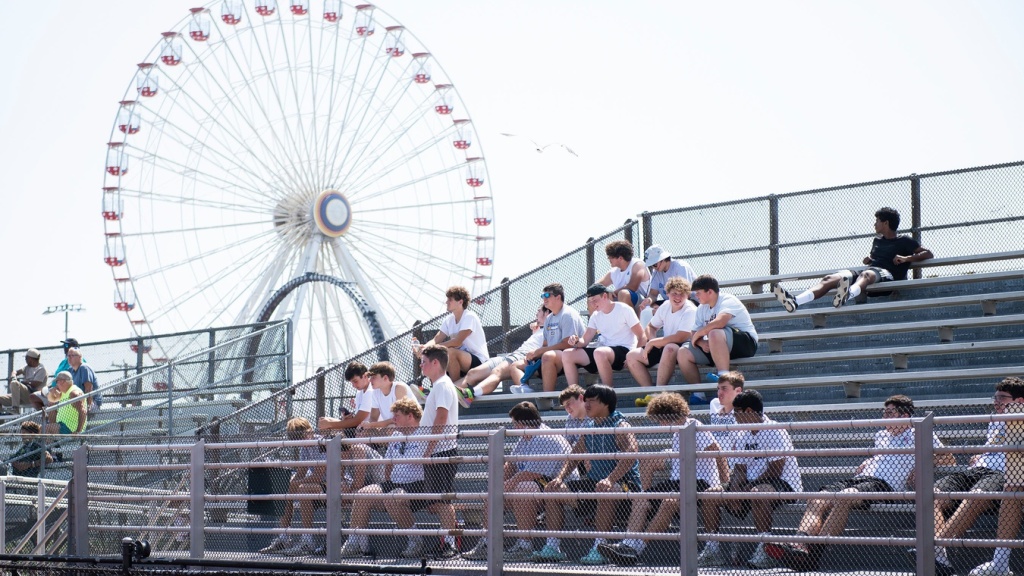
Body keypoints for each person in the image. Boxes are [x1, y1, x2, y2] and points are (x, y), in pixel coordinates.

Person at [767, 394, 953, 572]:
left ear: (905, 416)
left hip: (884, 486)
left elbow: (949, 459)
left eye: (890, 412)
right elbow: (881, 458)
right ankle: (799, 543)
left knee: (845, 497)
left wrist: (924, 463)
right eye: (884, 412)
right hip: (862, 480)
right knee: (818, 498)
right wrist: (869, 461)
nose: (884, 416)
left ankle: (811, 556)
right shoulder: (881, 435)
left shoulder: (917, 431)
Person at [599, 393, 729, 566]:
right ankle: (628, 543)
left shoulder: (694, 426)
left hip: (700, 482)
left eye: (660, 419)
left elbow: (717, 452)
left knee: (669, 501)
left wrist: (725, 483)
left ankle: (636, 549)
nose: (659, 423)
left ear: (668, 414)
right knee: (641, 499)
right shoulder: (677, 433)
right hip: (678, 483)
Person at [532, 385, 641, 565]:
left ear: (606, 404)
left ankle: (600, 547)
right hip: (594, 482)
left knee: (606, 490)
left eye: (592, 401)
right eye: (586, 401)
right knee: (552, 490)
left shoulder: (621, 425)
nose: (587, 405)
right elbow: (574, 457)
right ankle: (552, 547)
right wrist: (559, 478)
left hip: (624, 484)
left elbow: (631, 453)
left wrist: (610, 479)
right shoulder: (589, 426)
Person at [698, 390, 802, 569]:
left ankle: (765, 548)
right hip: (750, 485)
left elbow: (775, 470)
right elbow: (739, 468)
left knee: (757, 493)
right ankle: (712, 549)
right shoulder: (742, 433)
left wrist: (746, 489)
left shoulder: (774, 429)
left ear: (748, 412)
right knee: (709, 496)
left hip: (784, 484)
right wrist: (735, 490)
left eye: (736, 411)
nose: (733, 415)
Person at [461, 401, 578, 561]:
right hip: (539, 483)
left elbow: (531, 474)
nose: (514, 427)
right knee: (494, 492)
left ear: (523, 423)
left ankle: (525, 546)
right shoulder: (526, 437)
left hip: (557, 485)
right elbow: (512, 464)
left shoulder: (544, 436)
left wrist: (508, 484)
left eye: (515, 423)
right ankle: (488, 543)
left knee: (524, 487)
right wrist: (498, 483)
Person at [772, 207, 934, 312]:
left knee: (867, 274)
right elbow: (876, 259)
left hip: (888, 277)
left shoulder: (905, 241)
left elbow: (928, 254)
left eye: (877, 221)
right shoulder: (877, 241)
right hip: (871, 274)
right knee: (831, 278)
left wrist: (906, 258)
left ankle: (847, 295)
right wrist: (870, 258)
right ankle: (796, 301)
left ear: (886, 223)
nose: (874, 224)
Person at [339, 398, 431, 558]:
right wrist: (388, 481)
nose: (393, 419)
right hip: (394, 483)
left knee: (391, 497)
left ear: (410, 416)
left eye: (397, 416)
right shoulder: (395, 434)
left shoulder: (424, 433)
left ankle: (416, 541)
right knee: (362, 494)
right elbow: (388, 463)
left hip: (416, 484)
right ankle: (355, 543)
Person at [965, 377, 1024, 576]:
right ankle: (1000, 562)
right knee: (1012, 489)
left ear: (1019, 401)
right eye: (995, 397)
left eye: (1002, 398)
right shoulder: (998, 421)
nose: (996, 401)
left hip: (1005, 476)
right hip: (1011, 479)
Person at [417, 344, 462, 559]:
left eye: (424, 362)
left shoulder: (443, 386)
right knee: (436, 501)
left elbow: (441, 418)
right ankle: (449, 535)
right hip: (438, 450)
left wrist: (429, 449)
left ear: (436, 363)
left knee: (442, 501)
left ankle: (451, 543)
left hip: (442, 451)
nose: (421, 365)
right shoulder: (440, 386)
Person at [259, 417, 326, 555]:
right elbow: (301, 472)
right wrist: (288, 485)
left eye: (301, 438)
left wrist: (295, 484)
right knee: (284, 487)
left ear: (308, 432)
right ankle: (284, 538)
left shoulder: (321, 443)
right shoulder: (304, 448)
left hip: (331, 483)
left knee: (301, 489)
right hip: (315, 484)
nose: (300, 443)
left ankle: (308, 541)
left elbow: (318, 476)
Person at [677, 274, 758, 386]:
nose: (696, 296)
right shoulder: (701, 308)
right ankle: (698, 394)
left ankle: (723, 376)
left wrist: (700, 334)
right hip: (717, 345)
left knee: (714, 332)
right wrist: (701, 343)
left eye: (698, 293)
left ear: (710, 292)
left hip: (746, 344)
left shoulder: (728, 299)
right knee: (683, 352)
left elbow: (720, 322)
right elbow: (694, 332)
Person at [459, 306, 548, 407]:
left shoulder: (550, 330)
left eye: (539, 311)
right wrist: (535, 329)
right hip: (512, 355)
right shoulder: (539, 329)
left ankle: (470, 394)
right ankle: (449, 394)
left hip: (521, 356)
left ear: (547, 313)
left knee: (497, 372)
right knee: (473, 373)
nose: (536, 314)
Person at [561, 283, 646, 388]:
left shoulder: (624, 309)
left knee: (599, 352)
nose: (592, 304)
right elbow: (585, 340)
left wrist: (633, 356)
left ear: (605, 296)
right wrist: (576, 341)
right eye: (590, 301)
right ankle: (573, 394)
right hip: (603, 352)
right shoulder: (596, 316)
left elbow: (642, 336)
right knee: (567, 354)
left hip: (624, 351)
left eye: (594, 300)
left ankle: (608, 394)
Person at [418, 286, 489, 398]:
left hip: (479, 362)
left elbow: (457, 342)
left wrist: (434, 348)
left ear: (460, 302)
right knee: (432, 357)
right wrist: (424, 348)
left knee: (449, 352)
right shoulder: (449, 320)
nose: (446, 302)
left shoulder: (469, 316)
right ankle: (435, 389)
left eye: (450, 300)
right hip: (459, 362)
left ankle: (456, 390)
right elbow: (436, 339)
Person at [625, 277, 697, 387]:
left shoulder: (690, 310)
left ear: (687, 295)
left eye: (681, 294)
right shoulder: (665, 305)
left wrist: (653, 343)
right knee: (631, 355)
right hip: (665, 345)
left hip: (685, 349)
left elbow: (681, 337)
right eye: (674, 293)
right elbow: (651, 327)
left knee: (670, 348)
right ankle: (649, 391)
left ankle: (659, 391)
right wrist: (653, 340)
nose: (677, 297)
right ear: (667, 293)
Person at [529, 283, 586, 394]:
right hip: (556, 355)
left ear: (558, 297)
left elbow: (568, 344)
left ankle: (547, 398)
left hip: (573, 353)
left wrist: (541, 351)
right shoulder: (549, 318)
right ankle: (525, 398)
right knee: (520, 364)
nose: (544, 299)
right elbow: (545, 344)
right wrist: (534, 354)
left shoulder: (567, 314)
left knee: (547, 356)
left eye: (547, 295)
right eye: (542, 296)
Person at [356, 361, 413, 432]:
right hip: (391, 428)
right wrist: (365, 426)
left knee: (391, 429)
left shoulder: (399, 388)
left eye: (373, 377)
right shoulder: (375, 392)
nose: (370, 380)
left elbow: (399, 418)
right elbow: (373, 418)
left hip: (413, 429)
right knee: (364, 432)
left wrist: (372, 425)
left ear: (385, 378)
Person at [597, 240, 651, 313]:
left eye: (610, 256)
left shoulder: (637, 264)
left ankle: (632, 323)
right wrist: (606, 292)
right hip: (622, 301)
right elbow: (595, 287)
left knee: (623, 293)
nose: (608, 259)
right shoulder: (613, 272)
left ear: (620, 258)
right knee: (594, 299)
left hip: (644, 302)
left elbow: (633, 287)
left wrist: (614, 293)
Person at [318, 362, 373, 432]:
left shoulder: (370, 391)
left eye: (355, 381)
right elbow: (357, 419)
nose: (353, 385)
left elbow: (357, 421)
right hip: (360, 429)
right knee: (323, 421)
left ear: (365, 376)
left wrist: (330, 424)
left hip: (370, 431)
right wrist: (349, 418)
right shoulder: (360, 392)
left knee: (327, 422)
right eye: (352, 383)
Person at [639, 244, 696, 311]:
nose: (653, 267)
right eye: (651, 265)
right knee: (652, 307)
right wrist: (649, 300)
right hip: (671, 302)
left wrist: (664, 309)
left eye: (654, 264)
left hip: (690, 301)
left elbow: (685, 295)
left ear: (662, 259)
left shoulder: (680, 267)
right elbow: (653, 294)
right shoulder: (656, 272)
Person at [2, 349, 47, 413]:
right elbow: (16, 371)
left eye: (26, 358)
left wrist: (24, 382)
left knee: (14, 383)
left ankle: (15, 409)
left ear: (30, 359)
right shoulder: (27, 367)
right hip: (20, 397)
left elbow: (35, 384)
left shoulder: (41, 369)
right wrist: (13, 376)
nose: (25, 360)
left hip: (33, 396)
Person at [67, 348, 101, 412]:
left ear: (79, 357)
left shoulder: (84, 368)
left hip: (93, 402)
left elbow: (88, 388)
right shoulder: (70, 370)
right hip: (79, 401)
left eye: (72, 355)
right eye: (68, 355)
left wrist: (88, 405)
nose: (69, 358)